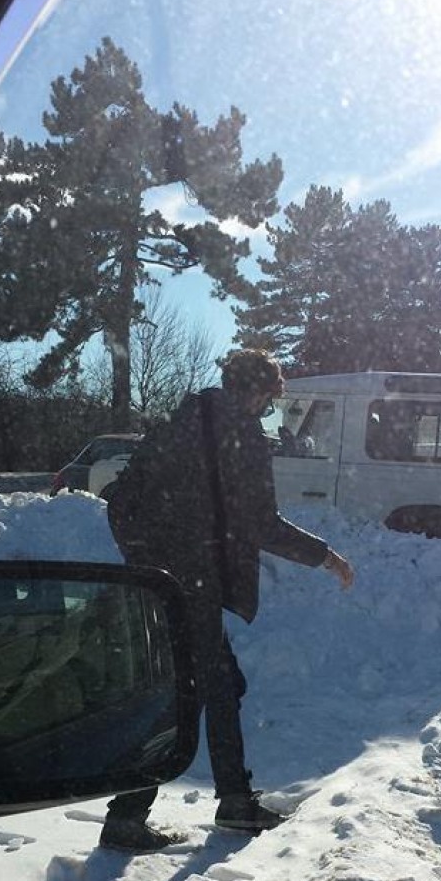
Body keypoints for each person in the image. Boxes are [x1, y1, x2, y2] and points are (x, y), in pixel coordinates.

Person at [99, 349, 354, 851]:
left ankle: (222, 801)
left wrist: (147, 566)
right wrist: (326, 557)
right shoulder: (242, 438)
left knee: (213, 687)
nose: (265, 409)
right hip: (190, 587)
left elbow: (120, 500)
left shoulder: (177, 423)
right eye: (267, 400)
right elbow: (261, 524)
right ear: (257, 393)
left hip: (164, 585)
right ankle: (146, 813)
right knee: (192, 693)